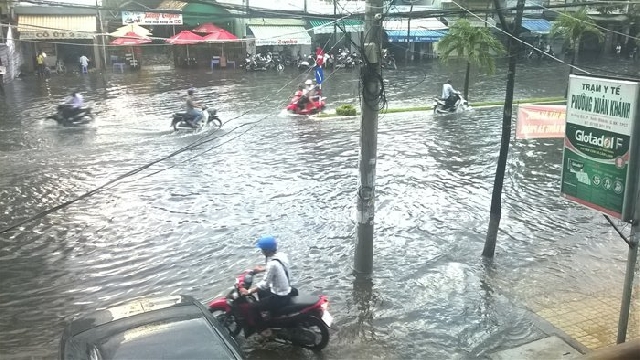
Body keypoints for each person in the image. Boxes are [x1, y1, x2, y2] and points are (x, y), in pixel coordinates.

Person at [239, 235, 292, 328]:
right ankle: (272, 316)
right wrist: (261, 270)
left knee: (252, 308)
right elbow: (278, 267)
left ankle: (264, 331)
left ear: (267, 250)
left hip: (280, 296)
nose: (262, 251)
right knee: (261, 293)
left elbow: (264, 284)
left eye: (262, 249)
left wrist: (248, 291)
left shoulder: (272, 264)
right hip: (287, 289)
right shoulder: (282, 256)